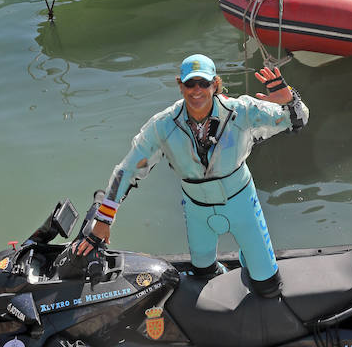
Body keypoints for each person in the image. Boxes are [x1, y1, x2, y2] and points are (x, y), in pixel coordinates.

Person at [73, 53, 308, 296]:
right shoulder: (163, 126)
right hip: (198, 211)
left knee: (268, 285)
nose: (197, 90)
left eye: (204, 83)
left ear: (215, 84)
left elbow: (298, 120)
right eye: (190, 84)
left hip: (242, 205)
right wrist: (103, 221)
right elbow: (127, 170)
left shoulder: (242, 111)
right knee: (204, 276)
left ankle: (250, 261)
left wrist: (288, 99)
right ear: (180, 85)